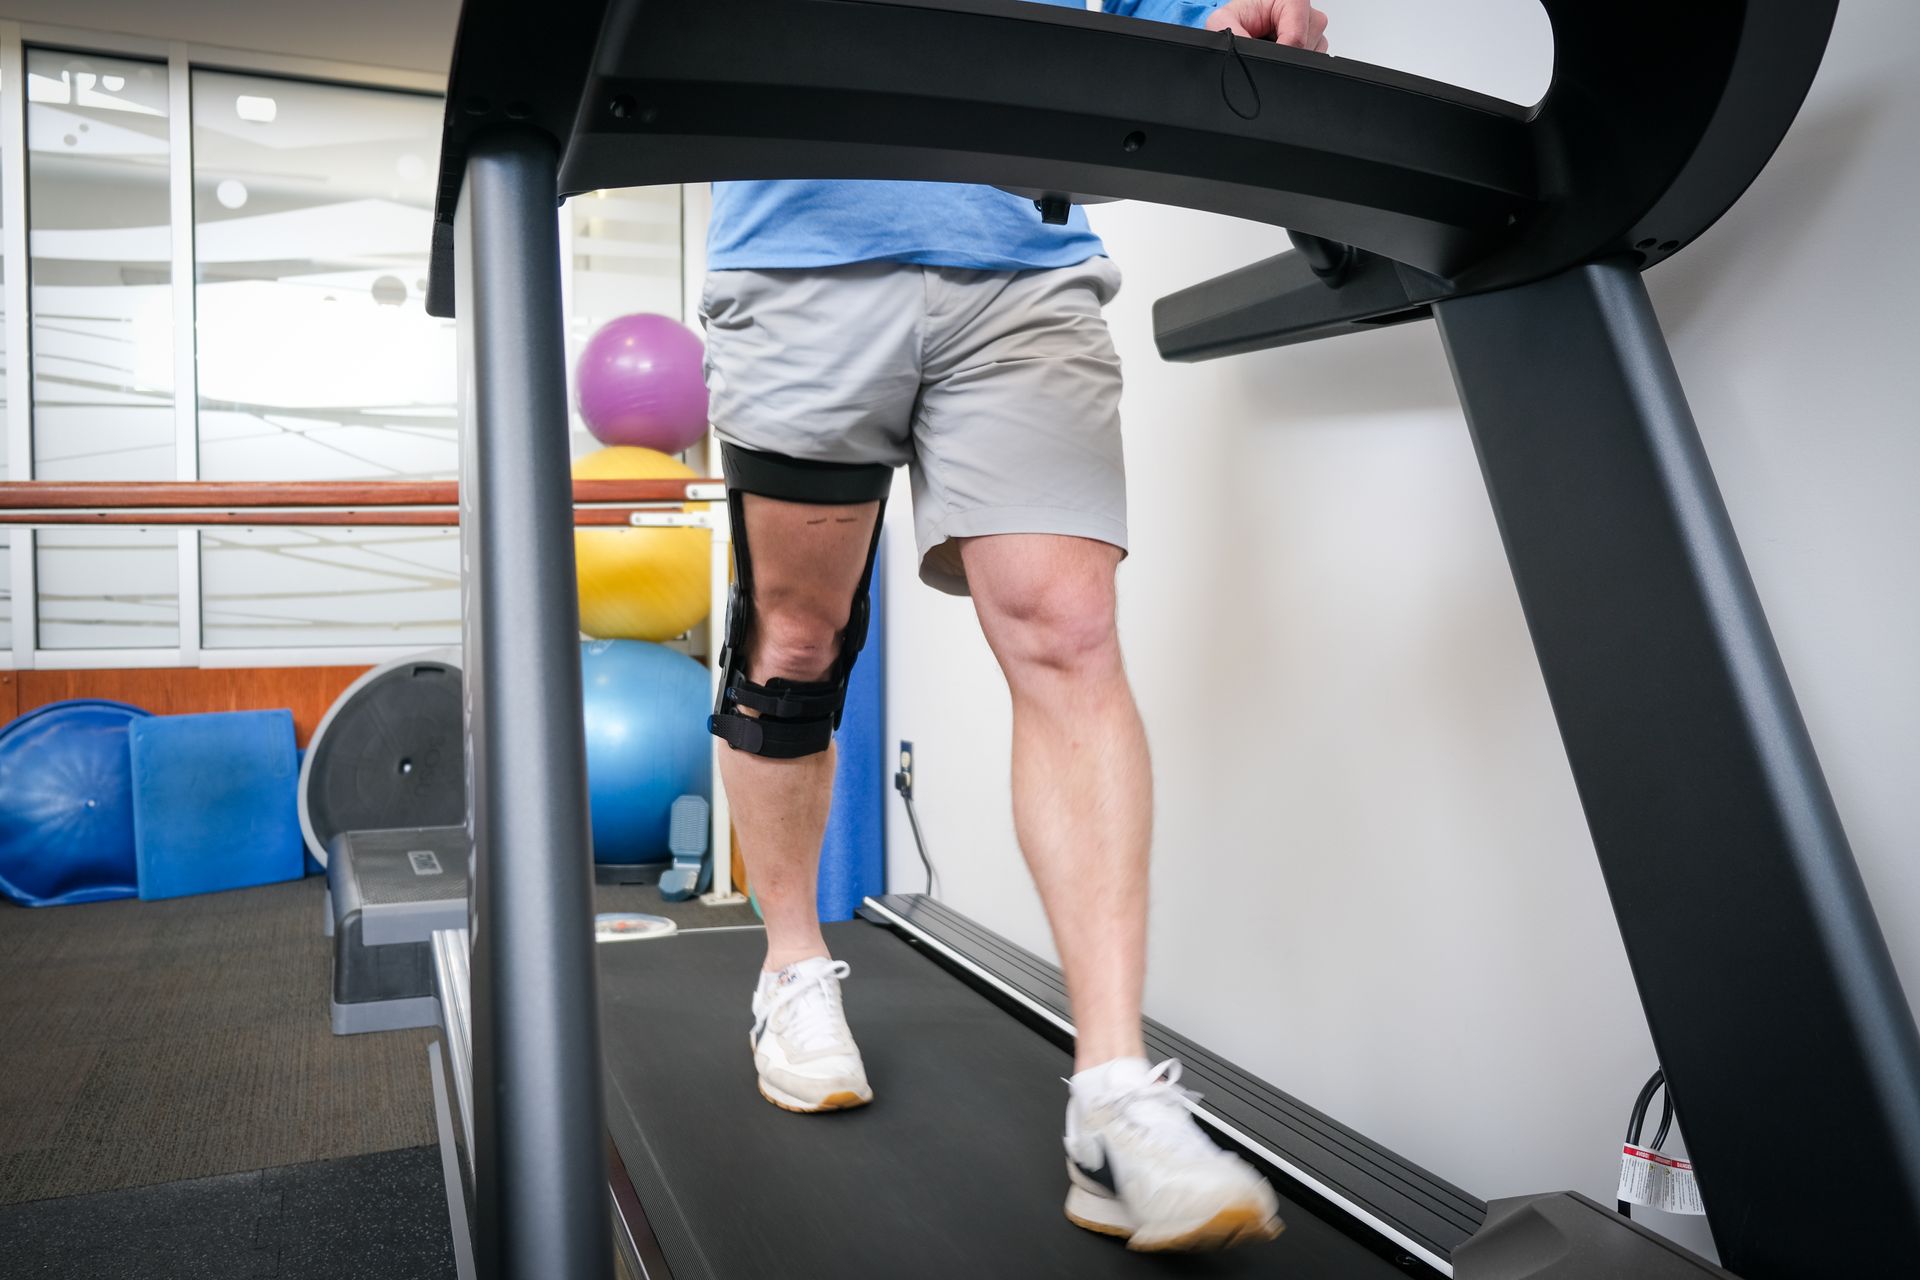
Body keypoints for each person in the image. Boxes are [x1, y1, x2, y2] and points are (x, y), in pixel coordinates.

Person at [700, 0, 1329, 1253]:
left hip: (1023, 266)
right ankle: (788, 971)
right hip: (803, 247)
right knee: (794, 644)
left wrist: (1222, 10)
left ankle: (1112, 1094)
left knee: (1068, 630)